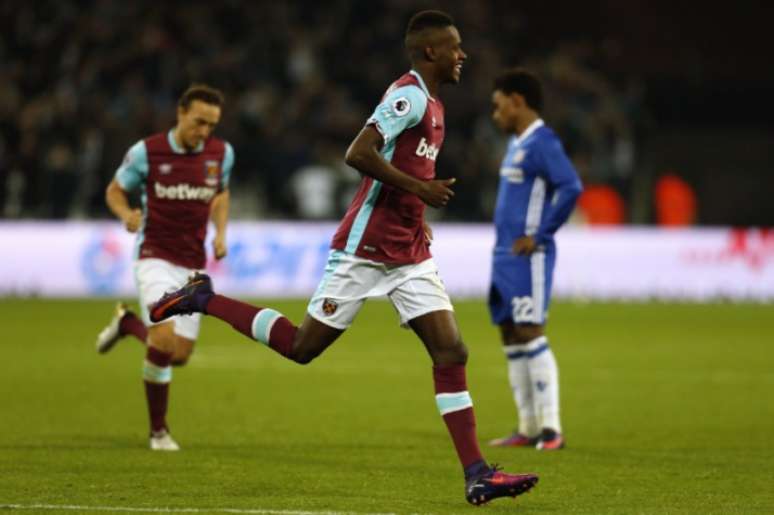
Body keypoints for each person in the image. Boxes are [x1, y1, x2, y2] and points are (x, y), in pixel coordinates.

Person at [148, 11, 537, 506]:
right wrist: (421, 189)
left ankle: (477, 473)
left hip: (408, 253)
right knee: (302, 347)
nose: (463, 54)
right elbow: (359, 152)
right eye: (455, 46)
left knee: (451, 352)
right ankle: (204, 298)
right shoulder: (410, 95)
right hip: (366, 250)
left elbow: (403, 165)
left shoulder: (436, 105)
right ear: (430, 51)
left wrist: (417, 218)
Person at [95, 84, 234, 451]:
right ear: (181, 113)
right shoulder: (147, 152)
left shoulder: (221, 153)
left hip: (192, 266)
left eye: (212, 125)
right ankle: (159, 432)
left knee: (179, 355)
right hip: (154, 256)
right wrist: (126, 214)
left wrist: (220, 234)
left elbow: (220, 194)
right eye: (199, 122)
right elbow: (114, 189)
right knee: (162, 339)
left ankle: (127, 324)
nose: (204, 132)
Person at [486, 68, 582, 450]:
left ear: (517, 101)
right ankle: (527, 428)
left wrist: (540, 235)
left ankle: (552, 429)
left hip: (529, 257)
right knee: (510, 334)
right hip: (504, 256)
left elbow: (571, 186)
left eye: (498, 106)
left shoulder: (543, 142)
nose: (495, 115)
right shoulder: (517, 143)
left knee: (530, 331)